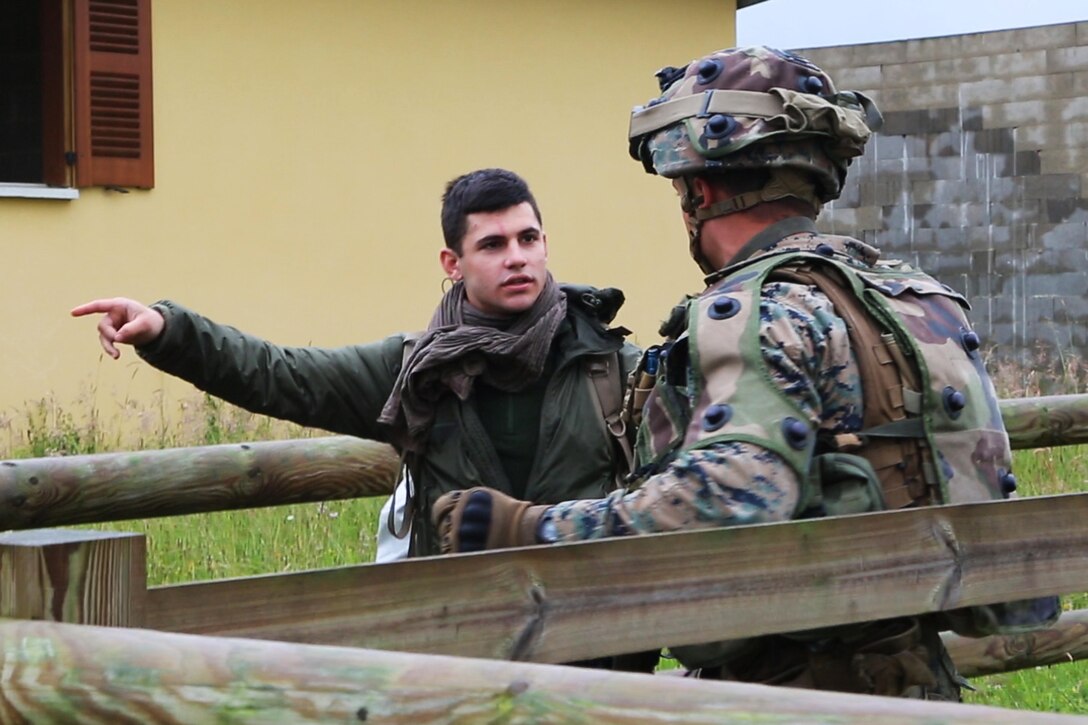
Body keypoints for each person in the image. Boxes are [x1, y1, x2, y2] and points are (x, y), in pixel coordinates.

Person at [432, 48, 1060, 698]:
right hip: (918, 685)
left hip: (799, 695)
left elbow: (724, 504)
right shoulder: (909, 295)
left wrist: (531, 528)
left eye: (681, 192)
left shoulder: (758, 312)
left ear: (698, 194)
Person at [72, 168, 640, 562]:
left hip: (599, 645)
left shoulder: (610, 365)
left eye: (528, 238)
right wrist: (169, 331)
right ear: (453, 262)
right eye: (492, 245)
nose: (516, 257)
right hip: (467, 648)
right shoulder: (415, 372)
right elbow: (281, 375)